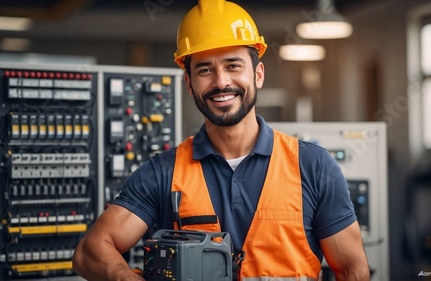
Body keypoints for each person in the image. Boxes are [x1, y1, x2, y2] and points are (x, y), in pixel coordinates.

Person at [72, 0, 370, 280]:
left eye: (233, 65)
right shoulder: (162, 174)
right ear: (189, 83)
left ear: (258, 74)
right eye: (205, 70)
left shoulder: (313, 166)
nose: (221, 82)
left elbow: (353, 270)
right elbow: (90, 251)